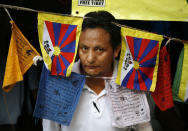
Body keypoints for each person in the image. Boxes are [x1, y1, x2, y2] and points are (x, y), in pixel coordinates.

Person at [43, 11, 153, 131]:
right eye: (84, 48)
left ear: (116, 50)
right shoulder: (60, 82)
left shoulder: (131, 81)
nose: (90, 59)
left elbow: (144, 128)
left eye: (99, 50)